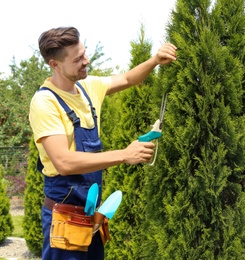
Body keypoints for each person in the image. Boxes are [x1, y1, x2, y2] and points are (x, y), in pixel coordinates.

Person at [29, 26, 177, 260]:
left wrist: (155, 60)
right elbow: (63, 162)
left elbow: (129, 78)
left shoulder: (88, 88)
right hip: (65, 219)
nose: (86, 61)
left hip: (92, 216)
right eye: (78, 59)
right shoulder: (45, 103)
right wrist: (124, 155)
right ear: (55, 64)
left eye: (84, 53)